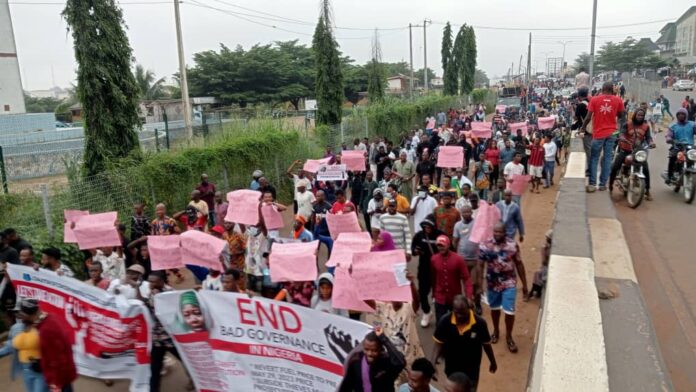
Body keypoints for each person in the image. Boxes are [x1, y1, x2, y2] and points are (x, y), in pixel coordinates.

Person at [363, 272, 422, 386]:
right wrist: (356, 278)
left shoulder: (409, 308)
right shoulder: (383, 307)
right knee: (395, 386)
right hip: (393, 360)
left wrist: (411, 284)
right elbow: (366, 299)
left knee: (414, 386)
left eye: (399, 293)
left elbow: (417, 302)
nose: (397, 298)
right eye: (394, 294)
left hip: (411, 358)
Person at [479, 223, 528, 353]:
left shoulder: (512, 245)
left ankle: (509, 337)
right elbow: (480, 266)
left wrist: (525, 285)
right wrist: (478, 286)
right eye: (496, 232)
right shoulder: (485, 245)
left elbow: (519, 264)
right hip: (492, 284)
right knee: (494, 309)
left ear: (505, 232)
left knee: (509, 311)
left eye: (500, 232)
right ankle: (496, 331)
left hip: (509, 283)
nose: (498, 234)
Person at [431, 295, 497, 390]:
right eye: (457, 313)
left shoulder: (479, 323)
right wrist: (432, 362)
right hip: (452, 369)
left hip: (471, 370)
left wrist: (493, 361)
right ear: (453, 309)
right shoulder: (445, 321)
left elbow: (486, 344)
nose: (460, 316)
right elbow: (438, 343)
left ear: (469, 308)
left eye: (463, 313)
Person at [15, 298, 78, 392]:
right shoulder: (50, 318)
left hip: (60, 379)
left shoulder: (46, 330)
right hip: (64, 375)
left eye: (21, 314)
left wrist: (55, 385)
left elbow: (57, 360)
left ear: (28, 315)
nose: (20, 317)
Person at [581, 81, 625, 192]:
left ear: (602, 88)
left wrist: (582, 128)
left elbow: (588, 117)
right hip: (612, 133)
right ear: (612, 89)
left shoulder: (595, 100)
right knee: (607, 158)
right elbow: (622, 116)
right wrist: (620, 130)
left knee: (594, 158)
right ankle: (602, 184)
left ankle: (592, 184)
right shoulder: (618, 100)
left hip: (598, 134)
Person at [145, 271, 185, 391]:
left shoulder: (170, 293)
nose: (150, 284)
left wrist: (157, 297)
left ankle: (196, 380)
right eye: (149, 281)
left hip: (171, 337)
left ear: (162, 281)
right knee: (155, 368)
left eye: (153, 281)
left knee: (187, 361)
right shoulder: (152, 292)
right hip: (157, 337)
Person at [338, 328, 406, 392]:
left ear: (380, 349)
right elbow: (346, 386)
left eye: (374, 350)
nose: (369, 353)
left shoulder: (387, 362)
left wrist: (383, 338)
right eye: (366, 349)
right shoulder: (356, 361)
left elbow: (400, 362)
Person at [609, 108, 655, 199]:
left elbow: (648, 138)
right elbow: (621, 132)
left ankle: (647, 191)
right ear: (635, 115)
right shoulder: (628, 124)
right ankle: (610, 185)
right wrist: (622, 137)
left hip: (638, 151)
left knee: (645, 168)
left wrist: (651, 143)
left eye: (642, 115)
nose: (640, 117)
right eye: (638, 115)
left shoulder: (646, 126)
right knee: (615, 166)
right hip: (625, 149)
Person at [430, 235, 473, 323]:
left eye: (443, 245)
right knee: (441, 323)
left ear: (448, 245)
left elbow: (466, 278)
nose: (440, 247)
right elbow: (433, 278)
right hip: (440, 297)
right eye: (438, 245)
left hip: (455, 298)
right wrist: (433, 294)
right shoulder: (434, 259)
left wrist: (469, 297)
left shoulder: (458, 259)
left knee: (457, 323)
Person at [411, 217, 444, 327]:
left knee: (440, 294)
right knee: (422, 293)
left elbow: (450, 249)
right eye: (425, 226)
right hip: (424, 269)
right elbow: (413, 249)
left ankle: (442, 317)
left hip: (439, 269)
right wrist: (415, 251)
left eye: (429, 226)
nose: (427, 228)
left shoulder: (441, 235)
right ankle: (426, 312)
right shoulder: (419, 235)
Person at [452, 206, 483, 315]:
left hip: (474, 260)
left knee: (475, 284)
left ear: (471, 212)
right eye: (463, 212)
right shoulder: (458, 225)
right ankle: (466, 305)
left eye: (468, 212)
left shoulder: (476, 224)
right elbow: (455, 241)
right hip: (462, 260)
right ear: (461, 213)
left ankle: (478, 303)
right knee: (464, 285)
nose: (466, 214)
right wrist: (456, 255)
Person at [665, 108, 696, 183]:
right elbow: (668, 135)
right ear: (677, 115)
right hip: (677, 146)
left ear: (686, 115)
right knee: (672, 157)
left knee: (693, 157)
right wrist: (669, 139)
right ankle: (669, 176)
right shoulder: (673, 126)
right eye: (679, 114)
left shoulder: (692, 124)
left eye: (683, 114)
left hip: (690, 147)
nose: (681, 115)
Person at [527, 230, 552, 300]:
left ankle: (533, 292)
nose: (546, 239)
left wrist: (543, 251)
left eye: (548, 238)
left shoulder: (548, 248)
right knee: (538, 273)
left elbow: (544, 261)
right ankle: (535, 292)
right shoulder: (549, 247)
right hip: (546, 267)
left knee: (538, 273)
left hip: (549, 267)